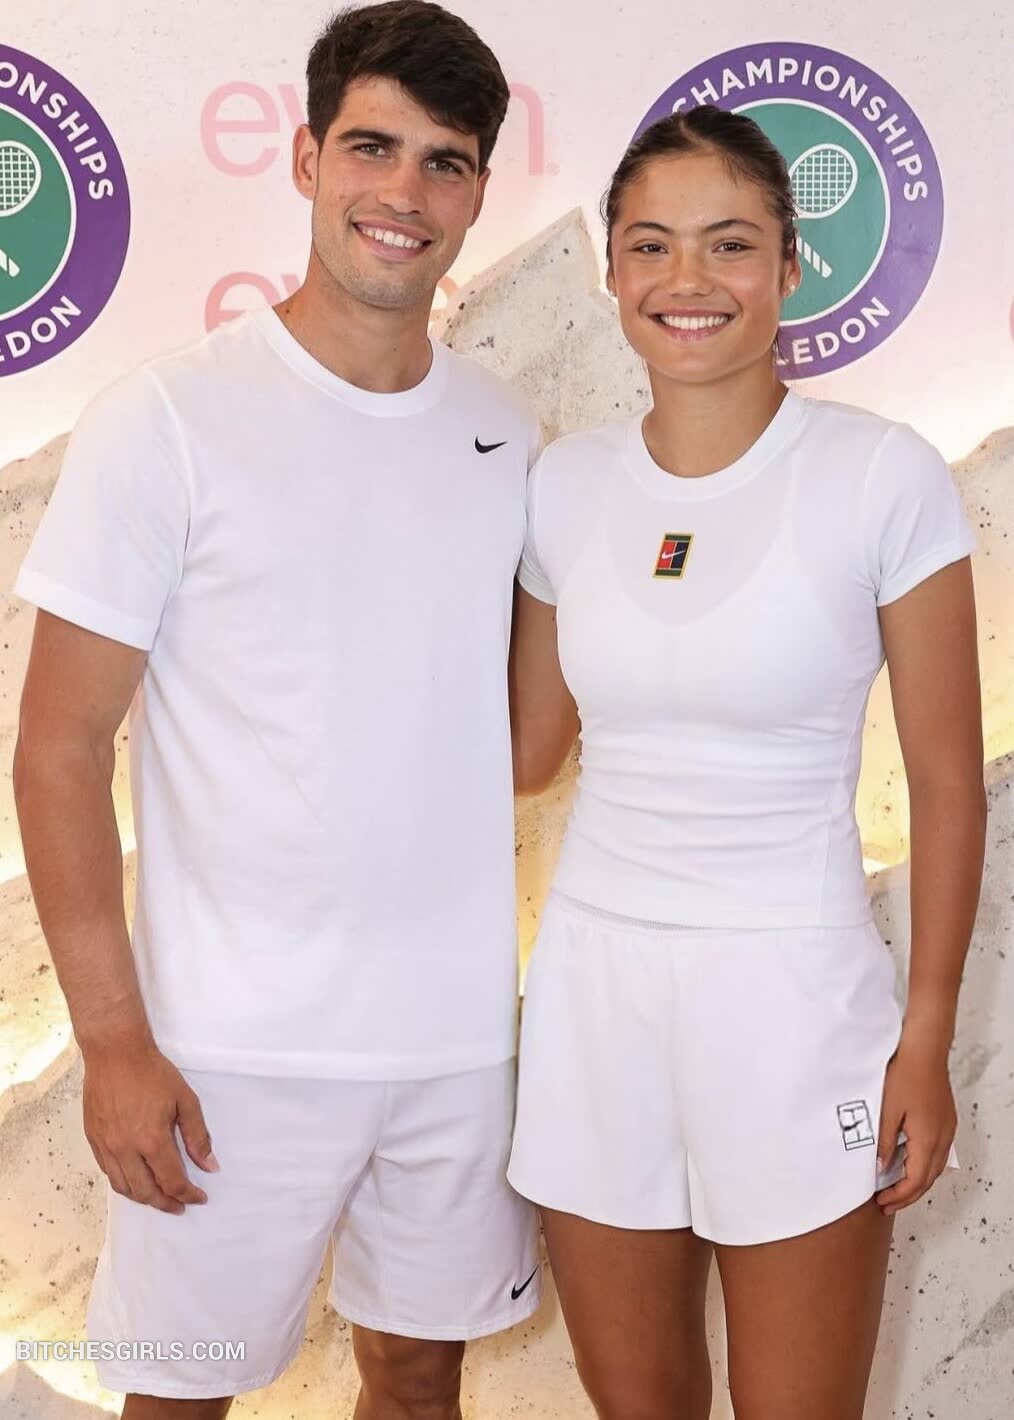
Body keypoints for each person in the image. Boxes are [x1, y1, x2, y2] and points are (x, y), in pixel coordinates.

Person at [13, 4, 543, 1416]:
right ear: (307, 159)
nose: (404, 191)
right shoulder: (168, 419)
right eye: (372, 147)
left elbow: (496, 731)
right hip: (225, 1055)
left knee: (418, 1385)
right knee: (179, 1399)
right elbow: (57, 747)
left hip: (452, 1045)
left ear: (477, 193)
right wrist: (114, 1043)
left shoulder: (506, 433)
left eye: (444, 162)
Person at [506, 104, 985, 1420]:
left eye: (728, 244)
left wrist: (925, 1037)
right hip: (594, 999)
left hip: (795, 1003)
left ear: (788, 267)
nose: (687, 279)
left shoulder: (881, 475)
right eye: (649, 245)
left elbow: (947, 786)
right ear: (612, 271)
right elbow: (526, 750)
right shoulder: (563, 485)